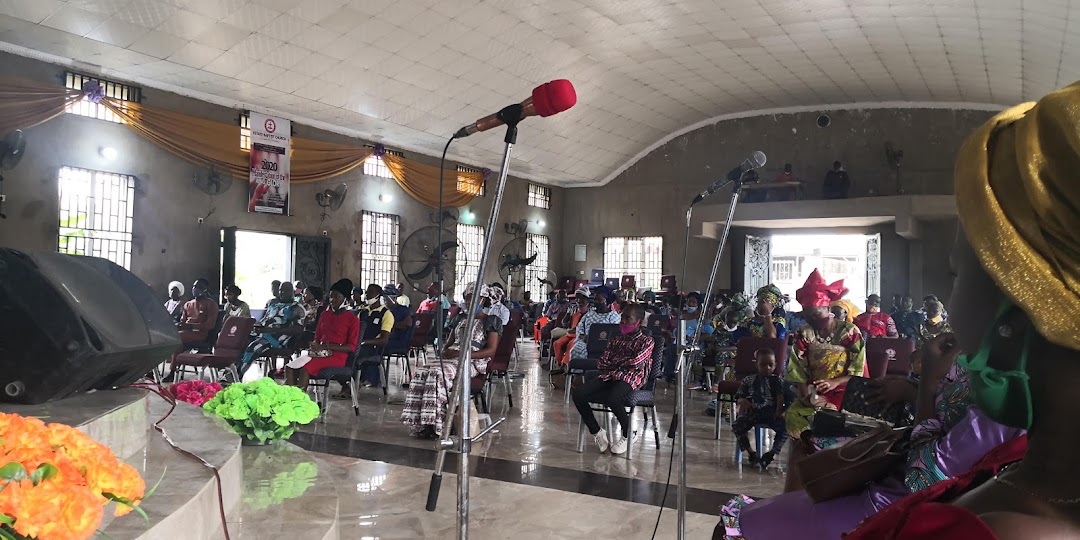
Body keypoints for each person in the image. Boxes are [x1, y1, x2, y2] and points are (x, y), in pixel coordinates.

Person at [845, 80, 1080, 540]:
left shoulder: (1005, 531)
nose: (950, 301)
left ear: (1015, 307)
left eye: (956, 275)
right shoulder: (1031, 474)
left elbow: (924, 466)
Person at [401, 285, 502, 438]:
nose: (469, 302)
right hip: (453, 356)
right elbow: (448, 344)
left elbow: (491, 350)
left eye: (472, 299)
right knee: (420, 373)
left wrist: (463, 354)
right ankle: (423, 423)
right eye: (467, 299)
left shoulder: (490, 321)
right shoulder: (460, 319)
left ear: (483, 300)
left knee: (438, 374)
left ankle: (438, 425)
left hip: (473, 360)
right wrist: (445, 352)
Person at [784, 269, 867, 450]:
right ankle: (807, 454)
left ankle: (828, 457)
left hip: (845, 391)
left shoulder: (849, 332)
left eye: (816, 314)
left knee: (829, 418)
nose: (812, 319)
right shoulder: (804, 333)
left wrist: (834, 382)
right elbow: (798, 369)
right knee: (793, 415)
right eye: (808, 316)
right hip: (814, 391)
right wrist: (806, 394)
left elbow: (858, 371)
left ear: (828, 309)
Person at [572, 303, 653, 456]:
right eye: (622, 317)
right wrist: (621, 363)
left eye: (628, 318)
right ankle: (597, 431)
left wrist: (616, 362)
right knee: (578, 393)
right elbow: (602, 362)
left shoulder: (646, 341)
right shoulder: (616, 339)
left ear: (639, 322)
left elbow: (635, 363)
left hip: (631, 378)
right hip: (610, 375)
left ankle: (629, 433)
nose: (623, 321)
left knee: (613, 398)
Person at [285, 279, 358, 389]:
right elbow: (317, 337)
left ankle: (300, 402)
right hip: (320, 352)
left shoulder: (352, 319)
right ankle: (289, 399)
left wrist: (325, 346)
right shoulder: (325, 315)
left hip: (337, 356)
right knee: (290, 367)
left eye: (336, 297)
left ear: (346, 299)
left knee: (305, 369)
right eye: (331, 296)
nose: (332, 300)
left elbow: (351, 347)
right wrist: (315, 345)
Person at [732, 349, 789, 471]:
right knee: (737, 425)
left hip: (771, 413)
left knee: (787, 427)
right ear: (756, 365)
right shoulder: (748, 380)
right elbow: (739, 396)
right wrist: (744, 401)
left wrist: (779, 411)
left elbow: (780, 397)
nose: (767, 368)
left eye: (771, 365)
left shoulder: (777, 380)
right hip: (752, 412)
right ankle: (751, 453)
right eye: (763, 365)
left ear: (775, 365)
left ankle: (771, 453)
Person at [237, 281, 304, 377]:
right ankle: (232, 371)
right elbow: (264, 320)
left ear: (292, 292)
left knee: (254, 347)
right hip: (263, 334)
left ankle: (237, 375)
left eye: (286, 291)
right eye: (281, 290)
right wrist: (258, 327)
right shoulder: (273, 305)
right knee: (239, 342)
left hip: (278, 339)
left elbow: (298, 329)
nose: (282, 293)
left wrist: (273, 330)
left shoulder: (296, 308)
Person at [568, 286, 623, 370]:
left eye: (600, 300)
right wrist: (583, 337)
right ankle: (577, 376)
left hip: (604, 344)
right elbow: (580, 328)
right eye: (595, 300)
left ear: (607, 301)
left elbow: (614, 333)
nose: (597, 302)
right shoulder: (589, 314)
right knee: (576, 350)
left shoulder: (613, 316)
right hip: (585, 342)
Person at [352, 284, 395, 390]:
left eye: (370, 292)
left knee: (358, 353)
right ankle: (348, 381)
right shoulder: (362, 312)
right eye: (366, 292)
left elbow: (384, 339)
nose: (367, 295)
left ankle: (355, 383)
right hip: (359, 344)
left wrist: (364, 342)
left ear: (378, 296)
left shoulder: (386, 314)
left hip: (374, 348)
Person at [550, 289, 592, 373]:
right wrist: (567, 324)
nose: (579, 302)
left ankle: (564, 366)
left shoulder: (591, 312)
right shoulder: (573, 308)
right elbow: (565, 320)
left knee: (570, 345)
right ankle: (559, 364)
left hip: (579, 335)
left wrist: (577, 330)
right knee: (556, 343)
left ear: (587, 300)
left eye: (582, 300)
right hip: (570, 333)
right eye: (578, 299)